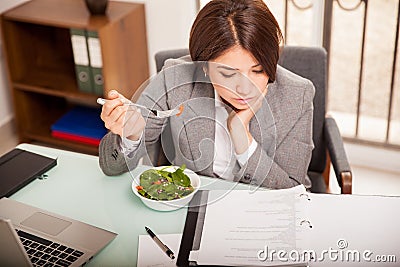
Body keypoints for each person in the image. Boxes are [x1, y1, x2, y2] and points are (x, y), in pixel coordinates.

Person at [98, 0, 314, 189]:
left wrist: (242, 137)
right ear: (204, 67)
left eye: (258, 70)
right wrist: (130, 136)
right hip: (192, 209)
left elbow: (294, 191)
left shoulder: (297, 95)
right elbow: (112, 166)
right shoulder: (175, 79)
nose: (245, 87)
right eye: (229, 74)